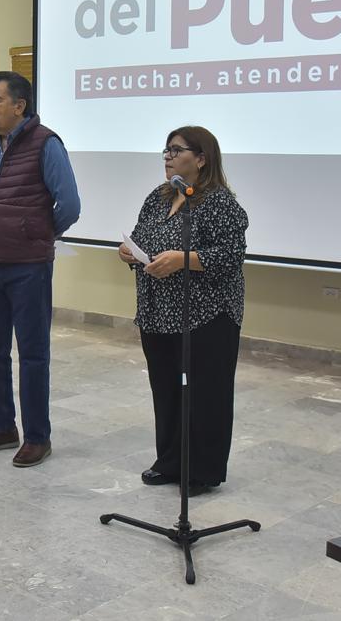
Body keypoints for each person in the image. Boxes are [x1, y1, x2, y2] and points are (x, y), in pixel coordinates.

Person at [0, 71, 80, 468]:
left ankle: (37, 437)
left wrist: (36, 234)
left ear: (19, 105)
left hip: (28, 268)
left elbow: (70, 205)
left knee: (32, 355)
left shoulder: (46, 144)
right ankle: (0, 427)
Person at [118, 126, 247, 492]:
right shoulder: (158, 197)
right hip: (158, 312)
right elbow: (141, 238)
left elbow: (231, 256)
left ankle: (202, 471)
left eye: (176, 150)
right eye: (166, 150)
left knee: (204, 394)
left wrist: (183, 259)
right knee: (167, 390)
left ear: (201, 159)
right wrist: (129, 251)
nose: (168, 157)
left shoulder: (219, 202)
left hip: (207, 315)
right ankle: (170, 462)